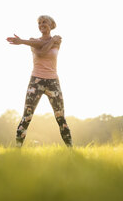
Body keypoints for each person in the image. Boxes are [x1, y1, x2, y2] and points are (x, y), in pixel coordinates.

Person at [6, 15, 73, 148]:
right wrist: (27, 41)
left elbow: (42, 47)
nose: (42, 24)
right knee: (27, 117)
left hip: (53, 82)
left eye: (45, 22)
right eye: (40, 23)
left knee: (61, 118)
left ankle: (71, 150)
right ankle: (17, 151)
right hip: (36, 81)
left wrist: (22, 42)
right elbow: (42, 53)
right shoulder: (33, 41)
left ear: (51, 25)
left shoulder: (57, 40)